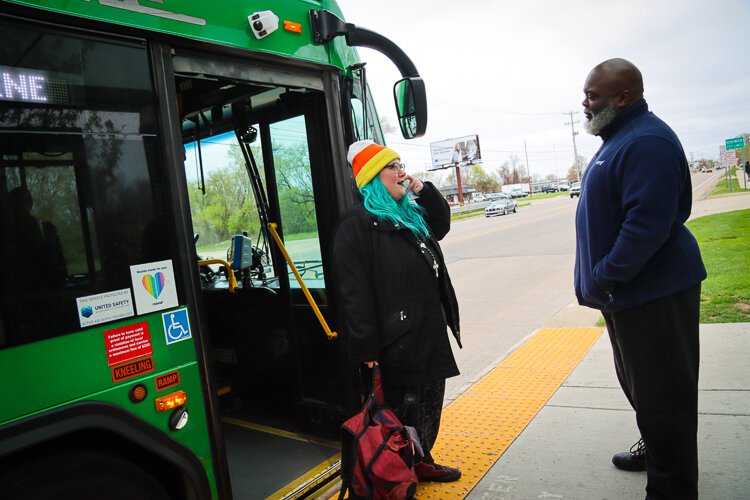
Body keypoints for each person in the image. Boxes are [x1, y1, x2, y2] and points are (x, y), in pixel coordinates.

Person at [574, 58, 706, 499]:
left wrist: (606, 277)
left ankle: (672, 487)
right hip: (629, 297)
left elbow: (646, 226)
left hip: (654, 294)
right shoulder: (619, 138)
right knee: (644, 391)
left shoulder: (647, 140)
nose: (584, 102)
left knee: (666, 400)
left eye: (593, 95)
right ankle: (657, 450)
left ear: (624, 97)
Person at [333, 140, 463, 484]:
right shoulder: (356, 223)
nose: (401, 172)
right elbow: (353, 292)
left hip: (428, 330)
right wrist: (366, 349)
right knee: (402, 411)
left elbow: (441, 223)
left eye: (400, 164)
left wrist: (421, 188)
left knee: (429, 404)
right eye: (392, 167)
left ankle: (422, 459)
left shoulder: (409, 214)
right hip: (397, 338)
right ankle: (398, 472)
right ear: (374, 176)